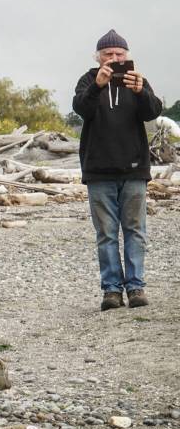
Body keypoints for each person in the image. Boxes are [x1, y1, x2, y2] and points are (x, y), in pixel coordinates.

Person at [73, 30, 162, 311]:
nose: (114, 58)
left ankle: (135, 287)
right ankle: (111, 290)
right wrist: (97, 86)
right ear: (98, 57)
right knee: (106, 234)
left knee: (135, 230)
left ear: (127, 56)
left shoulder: (137, 80)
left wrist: (140, 91)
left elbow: (153, 111)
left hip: (134, 169)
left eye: (119, 54)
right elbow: (81, 109)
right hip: (98, 170)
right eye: (108, 54)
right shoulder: (88, 80)